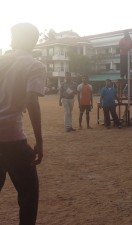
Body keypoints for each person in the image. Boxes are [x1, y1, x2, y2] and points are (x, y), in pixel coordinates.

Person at [0, 23, 46, 225]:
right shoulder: (34, 65)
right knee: (28, 194)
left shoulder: (2, 61)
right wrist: (40, 142)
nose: (10, 40)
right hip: (11, 136)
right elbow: (31, 101)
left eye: (12, 36)